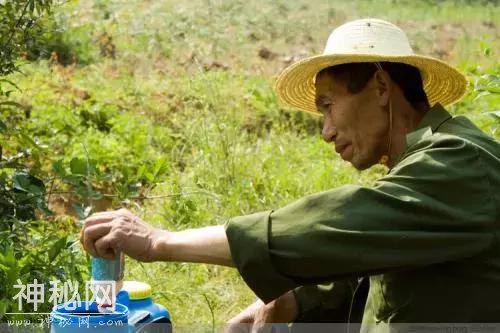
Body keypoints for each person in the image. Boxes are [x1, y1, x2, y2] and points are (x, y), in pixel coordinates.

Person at [80, 18, 500, 332]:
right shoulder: (426, 166)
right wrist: (296, 300)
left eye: (328, 105)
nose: (326, 131)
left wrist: (160, 242)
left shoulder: (460, 162)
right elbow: (380, 259)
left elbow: (335, 227)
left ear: (381, 87)